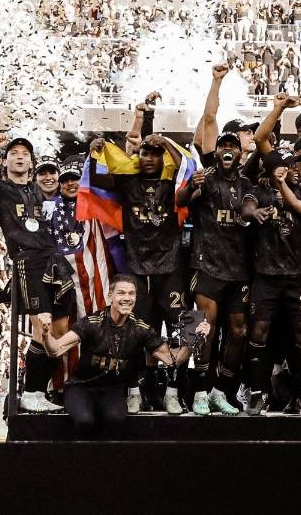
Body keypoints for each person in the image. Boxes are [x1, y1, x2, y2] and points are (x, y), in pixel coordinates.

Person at [0, 114, 71, 412]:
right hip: (28, 262)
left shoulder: (39, 190)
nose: (19, 158)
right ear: (6, 162)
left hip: (55, 262)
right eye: (14, 154)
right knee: (42, 327)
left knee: (59, 331)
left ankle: (41, 390)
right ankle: (32, 392)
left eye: (24, 154)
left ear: (31, 163)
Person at [86, 132, 185, 414]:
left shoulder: (173, 182)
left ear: (162, 156)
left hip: (171, 268)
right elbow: (96, 181)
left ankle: (174, 393)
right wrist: (93, 154)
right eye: (144, 153)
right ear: (137, 157)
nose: (149, 158)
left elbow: (183, 169)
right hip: (137, 269)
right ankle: (136, 390)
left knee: (180, 332)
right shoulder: (128, 182)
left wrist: (165, 142)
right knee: (137, 335)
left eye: (155, 153)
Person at [43, 275, 209, 437]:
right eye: (121, 293)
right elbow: (56, 349)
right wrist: (45, 334)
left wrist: (195, 339)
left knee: (116, 419)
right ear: (110, 296)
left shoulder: (141, 328)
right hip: (81, 387)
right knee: (85, 421)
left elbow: (173, 360)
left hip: (112, 390)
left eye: (131, 294)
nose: (127, 298)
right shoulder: (92, 323)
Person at [241, 147, 301, 416]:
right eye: (282, 164)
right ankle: (256, 393)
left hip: (298, 277)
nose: (287, 167)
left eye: (290, 164)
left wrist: (284, 184)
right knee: (258, 332)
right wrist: (254, 213)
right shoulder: (259, 190)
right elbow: (246, 207)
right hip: (265, 276)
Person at [179, 130, 247, 416]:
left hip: (240, 269)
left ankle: (220, 391)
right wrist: (190, 186)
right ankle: (198, 391)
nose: (228, 149)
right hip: (205, 265)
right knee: (203, 329)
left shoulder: (247, 182)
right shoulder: (205, 178)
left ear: (240, 153)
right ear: (216, 151)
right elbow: (182, 200)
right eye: (223, 145)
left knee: (240, 332)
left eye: (233, 145)